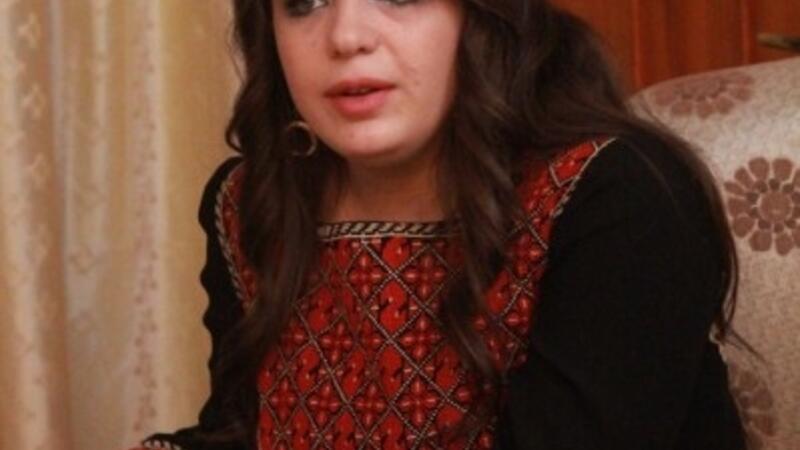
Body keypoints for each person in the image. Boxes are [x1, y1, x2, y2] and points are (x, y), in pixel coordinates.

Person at [130, 0, 747, 448]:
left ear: (481, 16)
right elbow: (238, 430)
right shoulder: (250, 203)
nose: (345, 36)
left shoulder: (617, 193)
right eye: (303, 3)